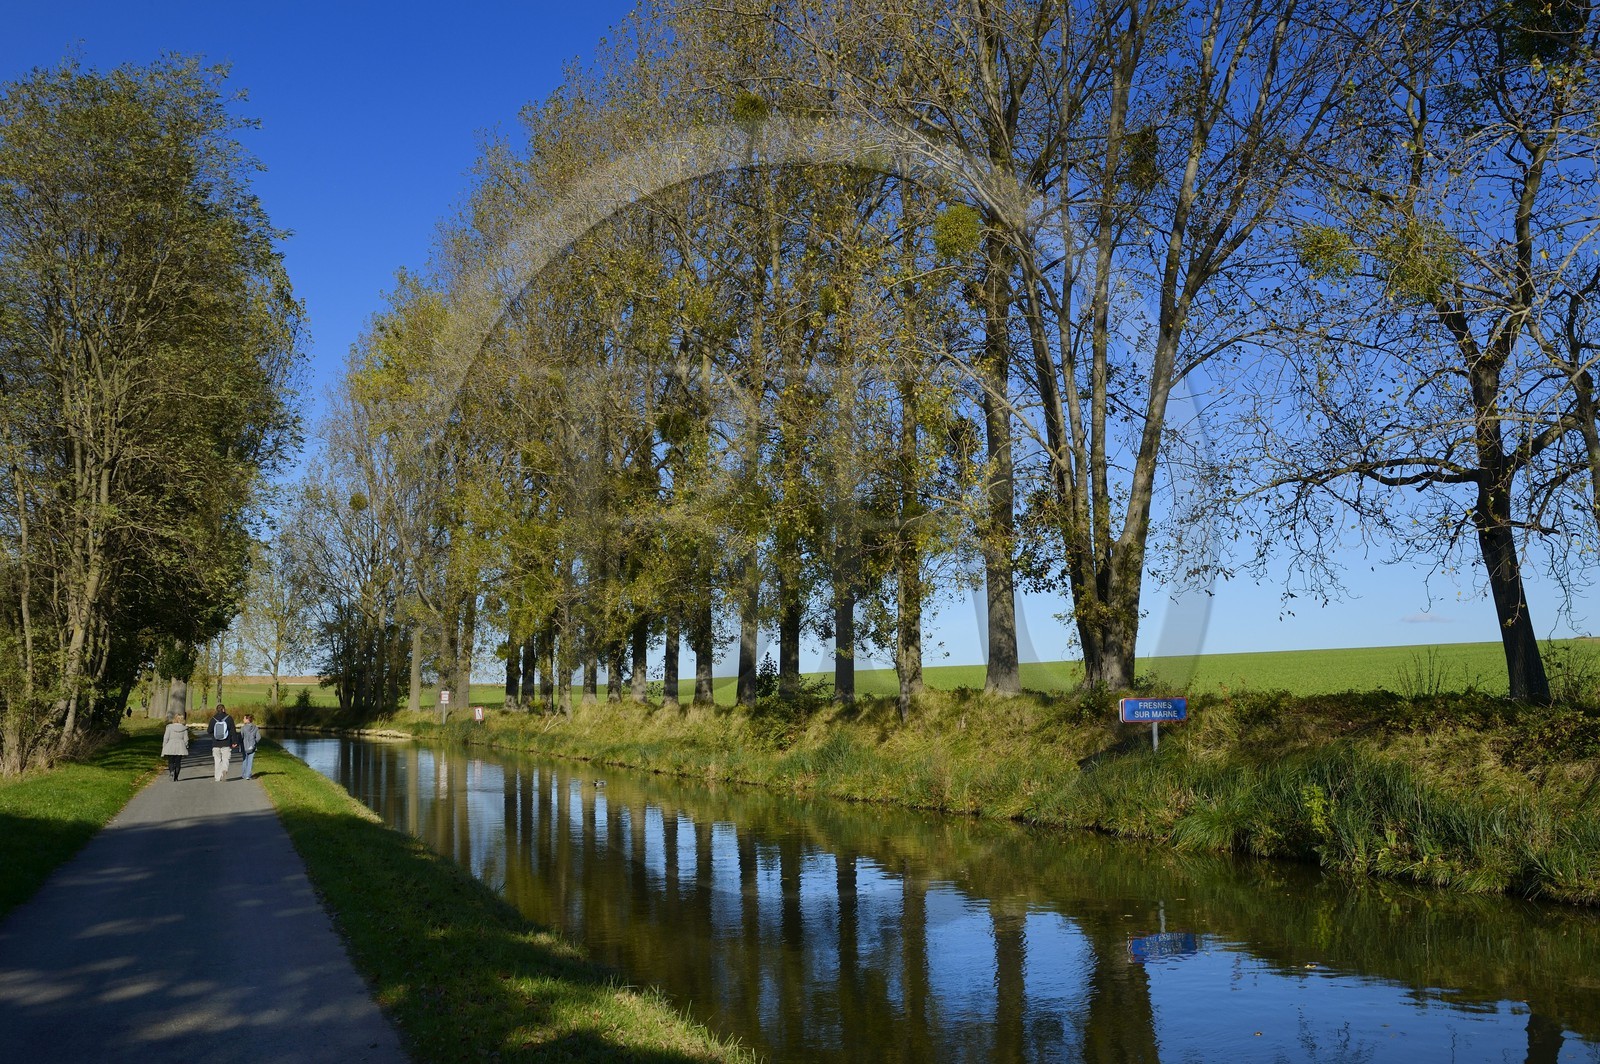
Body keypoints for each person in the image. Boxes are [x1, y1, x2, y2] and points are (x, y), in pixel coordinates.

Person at [209, 703, 239, 782]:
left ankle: (217, 777)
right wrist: (234, 741)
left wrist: (214, 734)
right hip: (226, 742)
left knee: (217, 760)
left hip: (216, 743)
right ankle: (224, 770)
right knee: (226, 759)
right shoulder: (229, 718)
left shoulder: (213, 719)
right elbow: (233, 731)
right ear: (223, 709)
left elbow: (209, 730)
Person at [161, 713, 190, 782]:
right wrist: (186, 746)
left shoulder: (169, 727)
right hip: (180, 745)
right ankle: (176, 777)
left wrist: (164, 746)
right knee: (178, 762)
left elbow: (166, 738)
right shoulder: (184, 729)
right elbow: (186, 739)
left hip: (171, 744)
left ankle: (171, 771)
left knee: (171, 761)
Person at [239, 713, 261, 781]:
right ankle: (248, 775)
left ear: (247, 719)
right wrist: (254, 742)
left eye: (244, 718)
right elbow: (259, 737)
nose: (243, 719)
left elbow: (241, 737)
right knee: (250, 761)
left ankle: (244, 774)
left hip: (244, 746)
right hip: (252, 747)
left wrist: (240, 743)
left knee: (245, 760)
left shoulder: (243, 728)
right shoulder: (255, 728)